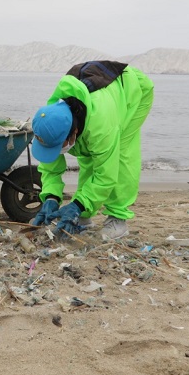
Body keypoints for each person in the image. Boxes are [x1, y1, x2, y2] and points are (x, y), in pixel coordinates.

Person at [29, 61, 154, 240]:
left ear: (75, 132)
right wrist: (50, 197)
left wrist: (77, 205)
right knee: (87, 155)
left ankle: (117, 219)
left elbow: (106, 175)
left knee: (120, 155)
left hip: (133, 92)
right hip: (100, 99)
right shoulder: (51, 120)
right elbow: (50, 166)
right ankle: (85, 216)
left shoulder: (101, 126)